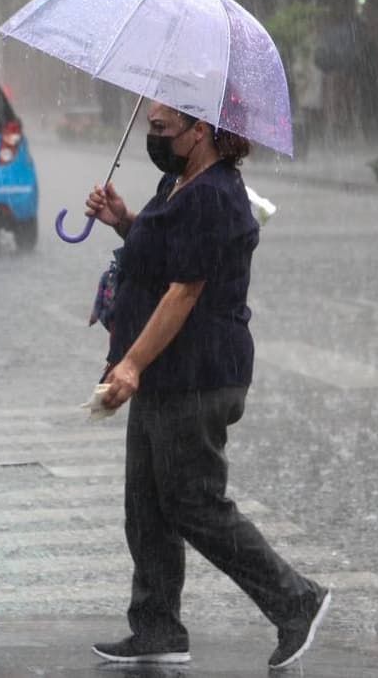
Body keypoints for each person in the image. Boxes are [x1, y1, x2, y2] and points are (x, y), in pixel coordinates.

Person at [83, 100, 331, 670]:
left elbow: (184, 290)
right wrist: (123, 220)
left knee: (194, 502)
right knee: (145, 503)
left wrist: (132, 364)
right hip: (167, 372)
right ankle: (156, 626)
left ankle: (295, 600)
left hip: (198, 372)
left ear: (200, 132)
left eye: (163, 128)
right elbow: (158, 257)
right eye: (150, 127)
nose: (155, 136)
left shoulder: (214, 196)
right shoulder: (176, 183)